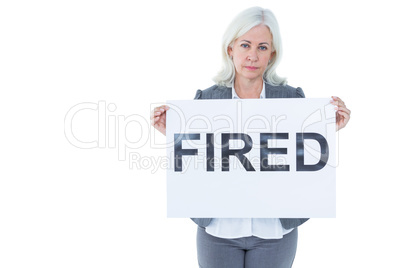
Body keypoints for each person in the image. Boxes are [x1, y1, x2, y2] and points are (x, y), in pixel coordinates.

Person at [151, 6, 351, 268]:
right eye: (245, 45)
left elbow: (301, 157)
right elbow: (197, 162)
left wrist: (328, 130)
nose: (253, 56)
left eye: (262, 47)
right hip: (219, 231)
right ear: (230, 49)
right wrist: (174, 134)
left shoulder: (292, 100)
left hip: (275, 233)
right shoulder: (206, 100)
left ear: (272, 54)